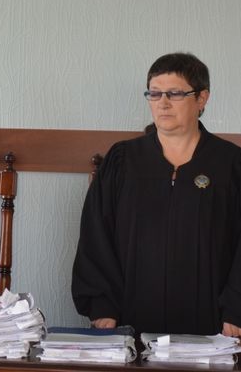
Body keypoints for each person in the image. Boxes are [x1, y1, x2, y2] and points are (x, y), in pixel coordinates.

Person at [72, 52, 241, 336]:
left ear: (202, 98)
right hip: (130, 319)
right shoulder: (123, 160)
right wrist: (102, 307)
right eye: (154, 93)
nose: (162, 103)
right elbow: (96, 234)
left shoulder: (230, 164)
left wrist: (236, 311)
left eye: (175, 93)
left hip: (213, 326)